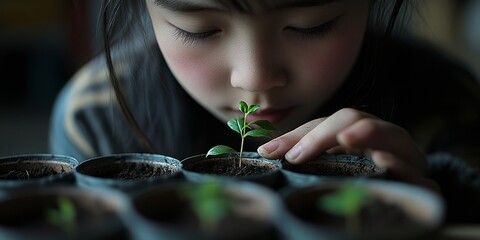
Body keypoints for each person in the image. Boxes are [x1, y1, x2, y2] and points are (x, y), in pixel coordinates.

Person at [50, 0, 480, 223]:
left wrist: (442, 204)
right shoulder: (97, 120)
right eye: (197, 29)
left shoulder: (449, 106)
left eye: (310, 24)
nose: (253, 78)